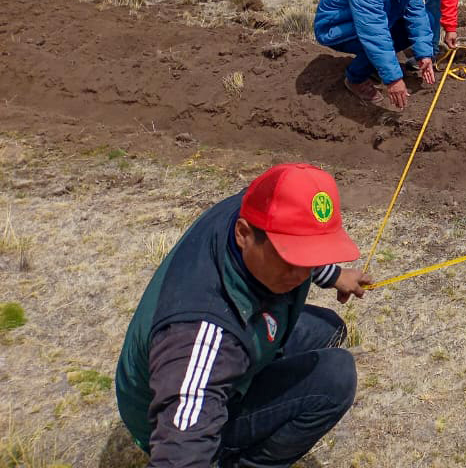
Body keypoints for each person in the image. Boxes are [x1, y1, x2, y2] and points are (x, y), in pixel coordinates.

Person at [115, 163, 373, 467]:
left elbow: (296, 239)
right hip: (166, 414)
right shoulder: (199, 337)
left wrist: (333, 274)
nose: (301, 273)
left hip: (223, 349)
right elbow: (179, 454)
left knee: (329, 328)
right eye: (290, 257)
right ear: (243, 234)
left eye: (312, 255)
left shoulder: (256, 206)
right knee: (335, 376)